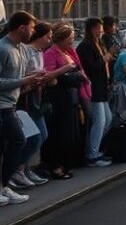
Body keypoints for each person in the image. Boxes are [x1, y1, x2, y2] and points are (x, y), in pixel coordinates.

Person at [0, 11, 45, 205]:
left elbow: (18, 78)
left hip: (10, 103)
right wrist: (24, 80)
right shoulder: (3, 49)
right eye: (32, 27)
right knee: (17, 141)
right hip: (2, 105)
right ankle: (3, 185)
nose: (33, 31)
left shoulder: (20, 48)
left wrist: (34, 78)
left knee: (11, 143)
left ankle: (3, 186)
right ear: (22, 27)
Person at [42, 23, 90, 179]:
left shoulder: (69, 52)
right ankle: (56, 166)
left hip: (72, 97)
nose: (72, 40)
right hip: (59, 99)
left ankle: (66, 163)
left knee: (70, 134)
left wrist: (73, 77)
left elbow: (77, 74)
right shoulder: (51, 53)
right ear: (61, 38)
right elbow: (51, 79)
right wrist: (70, 77)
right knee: (59, 134)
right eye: (70, 38)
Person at [13, 22, 53, 188]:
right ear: (40, 36)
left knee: (41, 135)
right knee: (34, 137)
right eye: (48, 36)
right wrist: (36, 77)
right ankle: (18, 170)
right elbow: (20, 75)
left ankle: (24, 168)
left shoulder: (39, 52)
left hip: (37, 98)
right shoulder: (27, 51)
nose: (50, 39)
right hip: (26, 100)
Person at [76, 18, 113, 167]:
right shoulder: (85, 46)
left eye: (102, 28)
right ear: (91, 29)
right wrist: (106, 57)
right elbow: (91, 67)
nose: (101, 31)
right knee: (100, 121)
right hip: (93, 89)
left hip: (102, 87)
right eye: (98, 28)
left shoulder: (100, 43)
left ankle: (93, 148)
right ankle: (91, 155)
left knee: (108, 120)